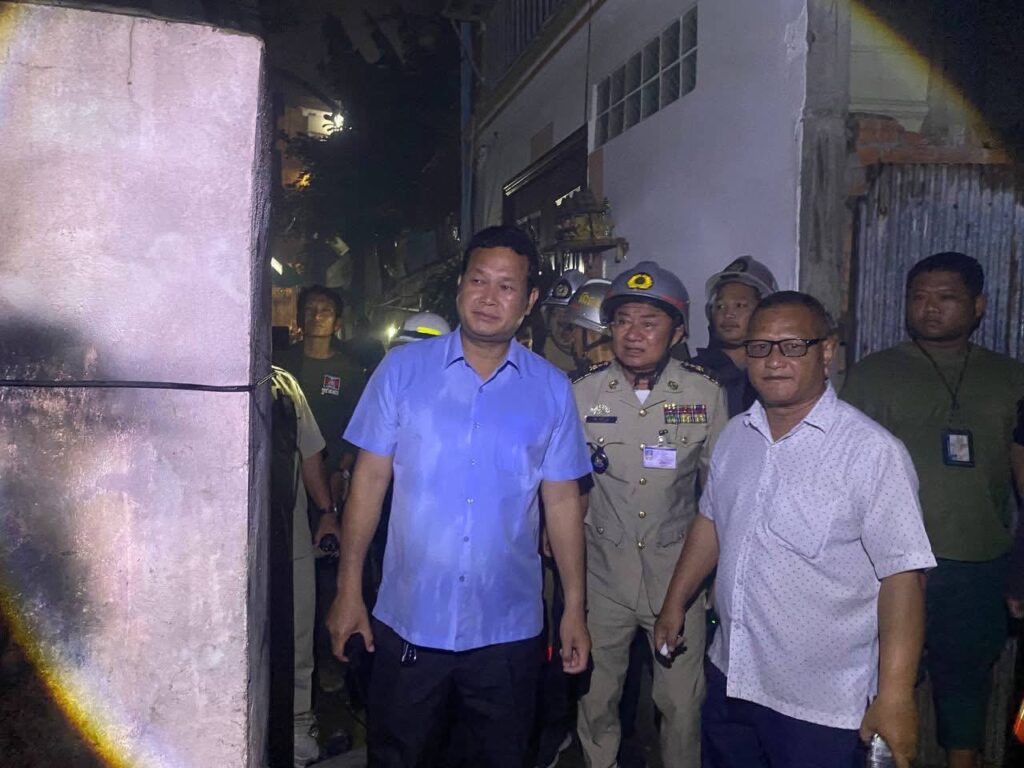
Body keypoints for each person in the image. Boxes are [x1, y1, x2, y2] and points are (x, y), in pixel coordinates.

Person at [326, 225, 592, 768]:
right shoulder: (402, 371)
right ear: (459, 287)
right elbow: (368, 483)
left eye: (506, 286)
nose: (489, 297)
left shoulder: (550, 389)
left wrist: (574, 608)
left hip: (507, 632)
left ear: (529, 301)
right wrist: (349, 590)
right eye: (478, 280)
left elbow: (563, 503)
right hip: (409, 621)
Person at [653, 291, 936, 768]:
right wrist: (674, 602)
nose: (773, 361)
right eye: (760, 347)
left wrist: (895, 694)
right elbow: (711, 521)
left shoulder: (871, 452)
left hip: (820, 705)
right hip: (733, 677)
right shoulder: (735, 436)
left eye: (792, 346)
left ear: (826, 352)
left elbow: (903, 575)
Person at [841, 252, 1024, 768]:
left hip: (977, 564)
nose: (930, 308)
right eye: (918, 297)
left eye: (946, 298)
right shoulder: (874, 375)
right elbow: (844, 472)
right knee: (879, 684)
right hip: (890, 566)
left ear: (978, 305)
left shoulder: (1011, 378)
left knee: (967, 685)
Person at [573, 261, 728, 768]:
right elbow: (569, 487)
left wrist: (710, 581)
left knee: (681, 705)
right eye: (622, 322)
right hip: (603, 575)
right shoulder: (583, 393)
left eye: (648, 322)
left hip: (677, 577)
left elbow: (718, 495)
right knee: (596, 698)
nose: (633, 334)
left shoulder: (705, 394)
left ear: (677, 332)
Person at [269, 366, 340, 768]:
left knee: (296, 635)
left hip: (288, 537)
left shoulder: (283, 385)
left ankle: (297, 729)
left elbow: (309, 453)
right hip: (219, 546)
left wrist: (326, 512)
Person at [692, 255, 778, 417]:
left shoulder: (778, 371)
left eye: (740, 305)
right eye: (720, 306)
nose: (728, 314)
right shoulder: (690, 374)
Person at [539, 269, 587, 372]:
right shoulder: (537, 358)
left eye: (569, 313)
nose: (561, 319)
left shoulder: (600, 358)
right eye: (555, 312)